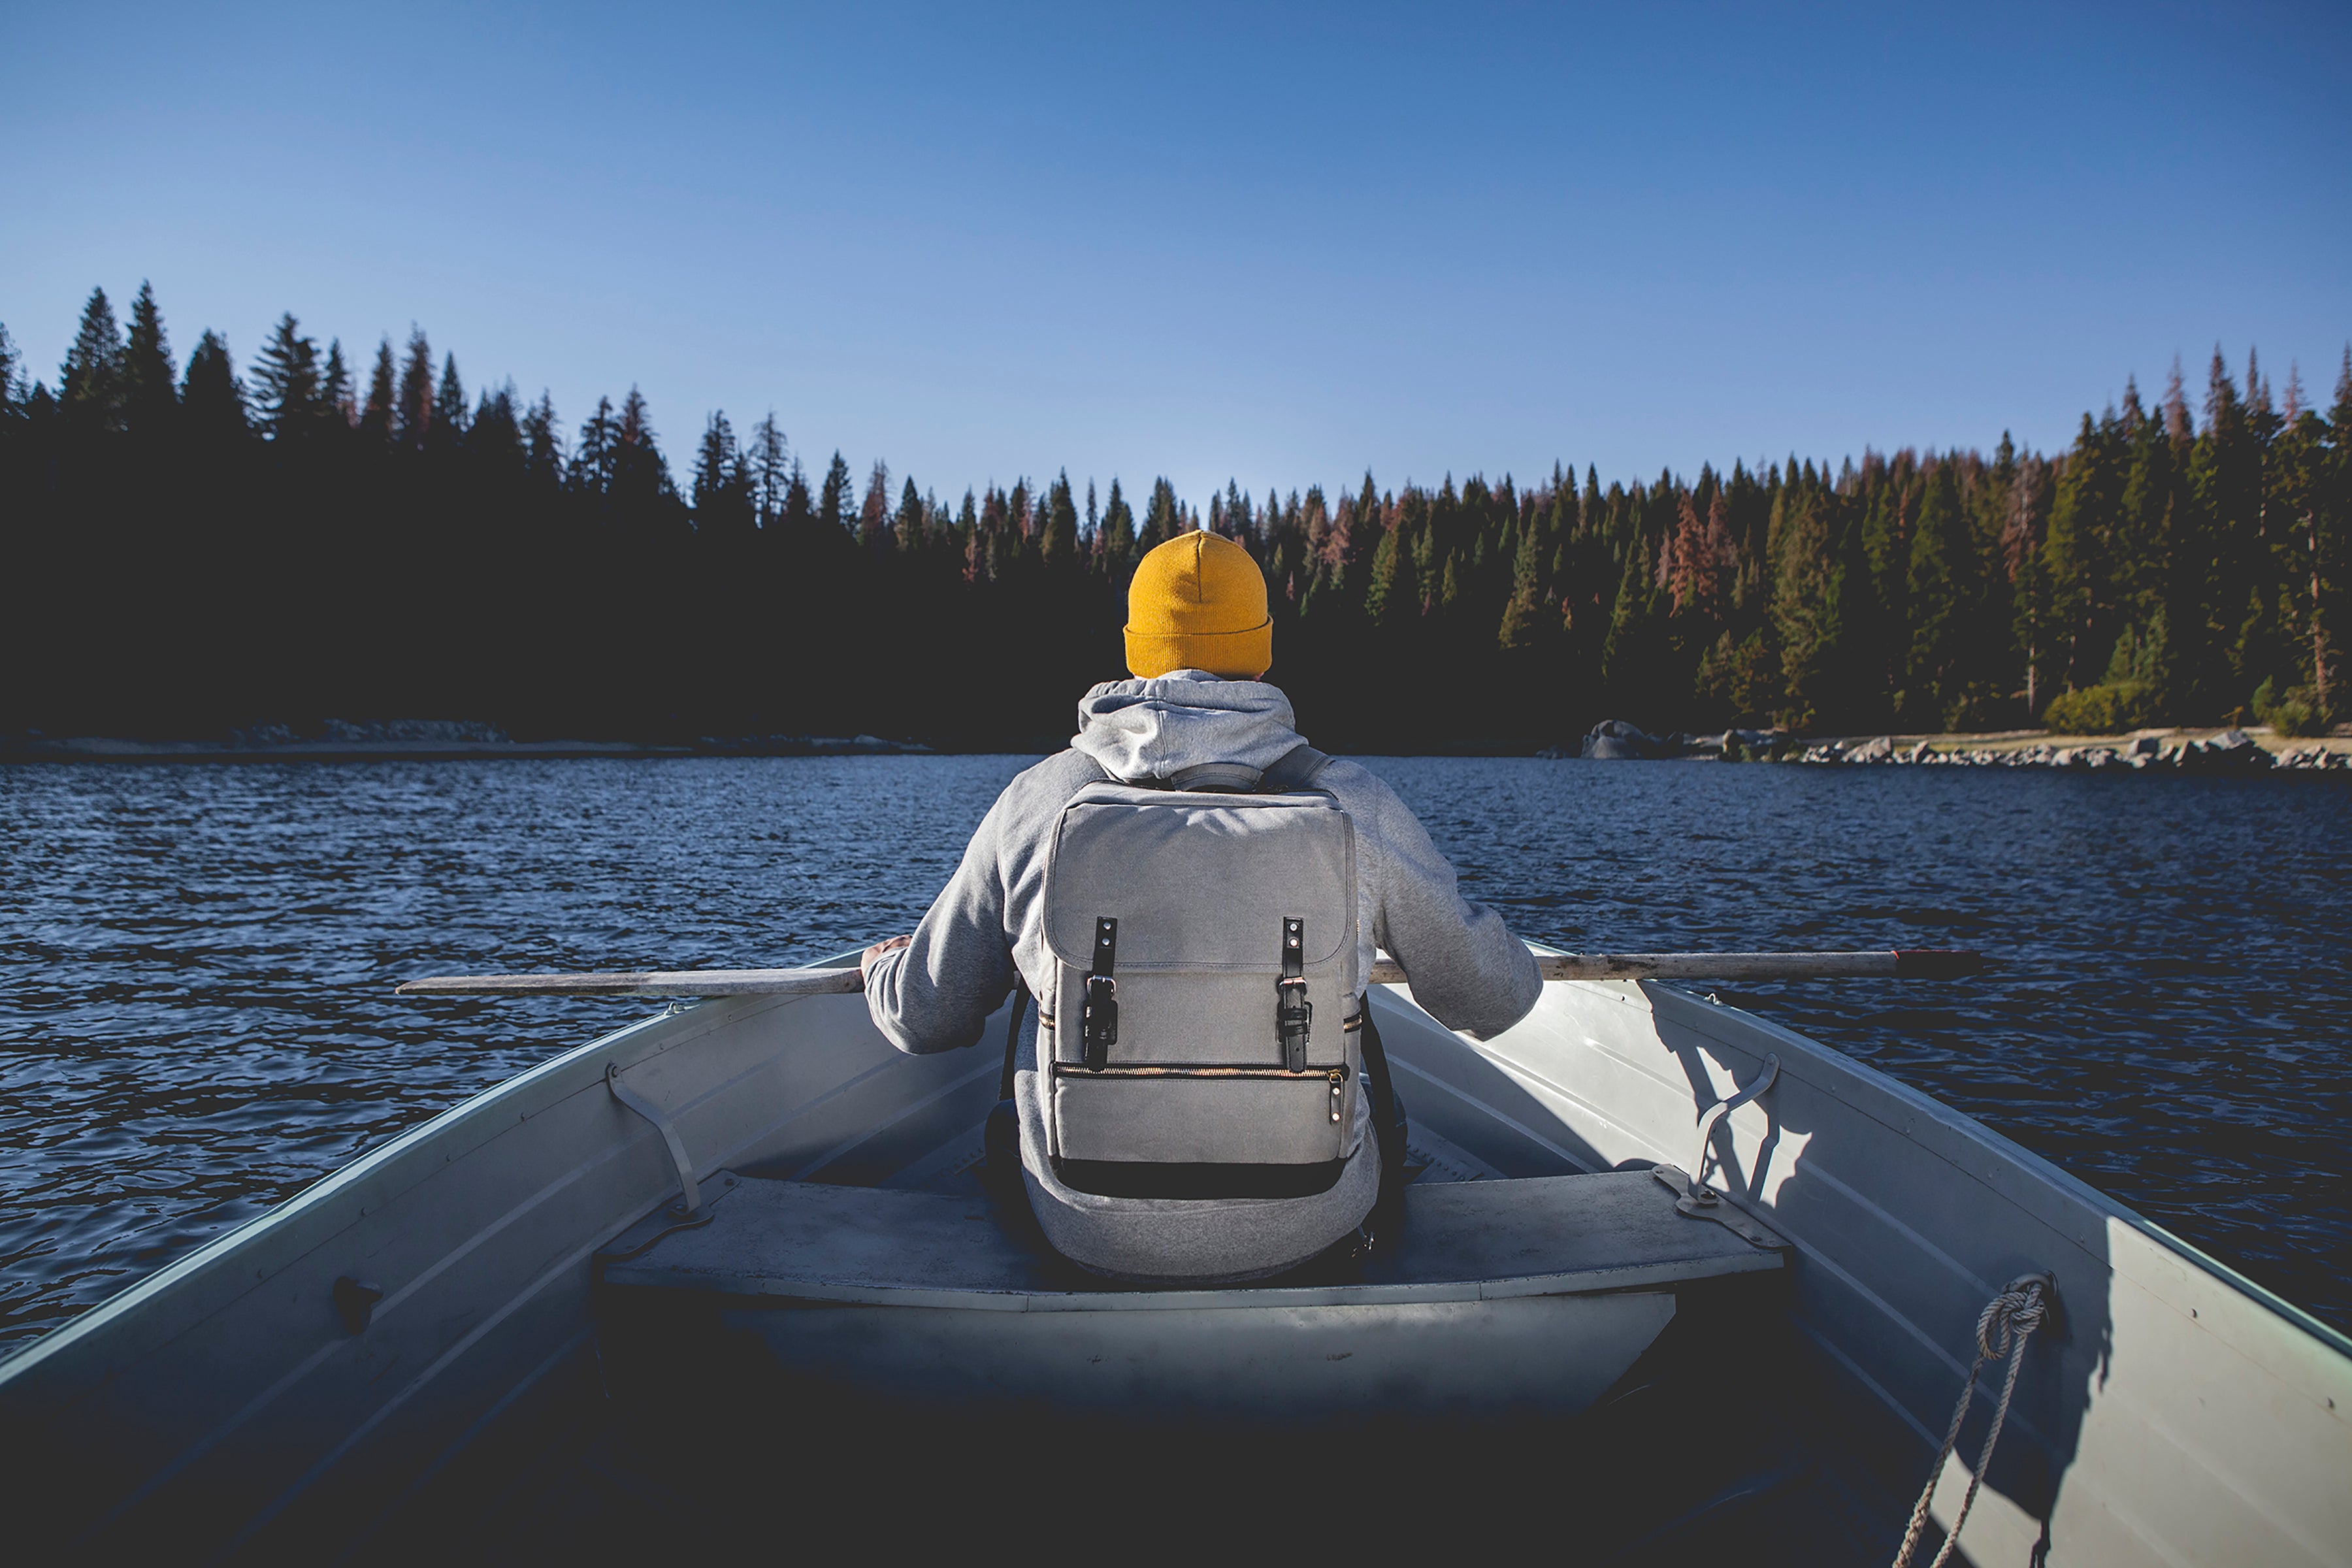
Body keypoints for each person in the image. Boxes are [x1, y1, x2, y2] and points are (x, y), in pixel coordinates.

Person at [861, 529, 1539, 1282]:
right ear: (1263, 649)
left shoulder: (1042, 801)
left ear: (1134, 648)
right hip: (1311, 1222)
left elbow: (924, 1017)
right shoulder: (1352, 804)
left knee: (1038, 984)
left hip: (1083, 1229)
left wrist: (882, 969)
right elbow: (1494, 998)